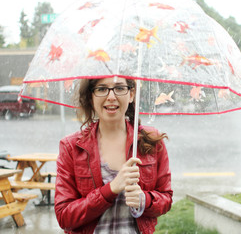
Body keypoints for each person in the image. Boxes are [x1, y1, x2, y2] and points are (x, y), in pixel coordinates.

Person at [54, 77, 173, 234]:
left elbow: (166, 199)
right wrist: (110, 190)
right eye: (102, 89)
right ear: (91, 96)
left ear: (131, 94)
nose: (111, 97)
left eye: (119, 88)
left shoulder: (151, 141)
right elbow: (64, 217)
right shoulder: (71, 147)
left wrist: (144, 200)